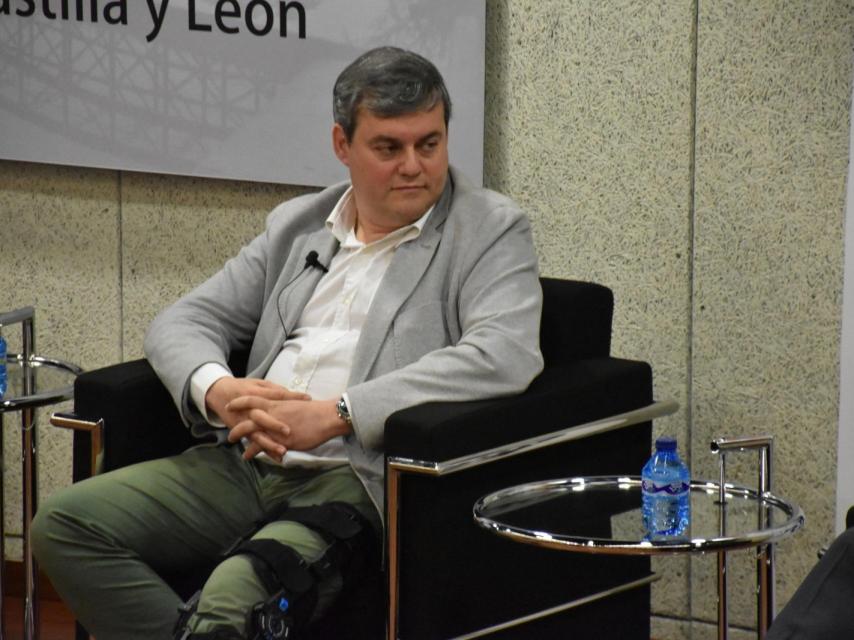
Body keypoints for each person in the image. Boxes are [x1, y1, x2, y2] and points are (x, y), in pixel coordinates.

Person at [31, 46, 543, 639]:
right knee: (65, 525)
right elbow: (181, 321)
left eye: (429, 144)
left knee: (231, 600)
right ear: (342, 145)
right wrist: (217, 390)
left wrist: (336, 415)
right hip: (245, 460)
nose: (414, 166)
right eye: (389, 147)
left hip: (351, 478)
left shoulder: (487, 228)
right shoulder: (300, 223)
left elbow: (503, 353)